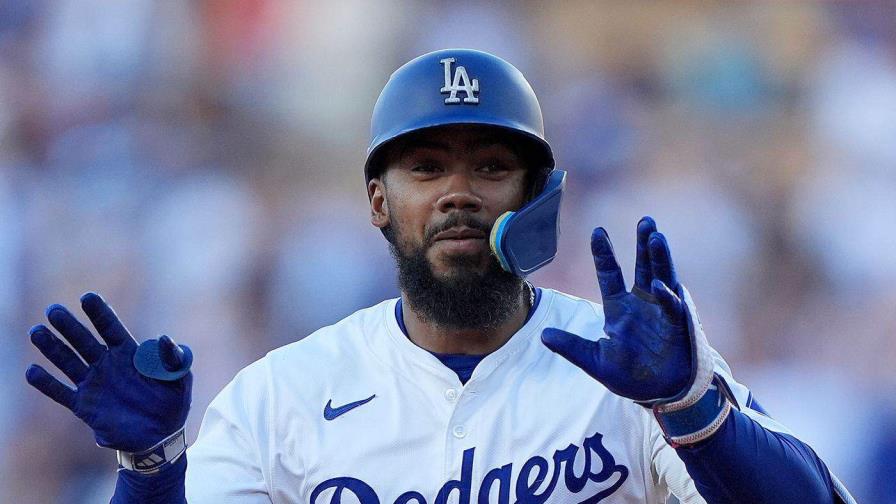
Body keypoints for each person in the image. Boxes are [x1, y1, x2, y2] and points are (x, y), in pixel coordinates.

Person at [25, 49, 855, 503]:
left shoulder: (636, 371)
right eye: (426, 167)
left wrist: (692, 409)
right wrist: (150, 472)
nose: (459, 190)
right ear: (380, 202)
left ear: (537, 198)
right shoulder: (281, 396)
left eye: (492, 166)